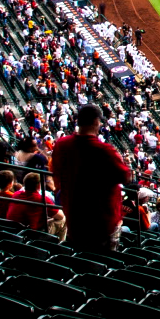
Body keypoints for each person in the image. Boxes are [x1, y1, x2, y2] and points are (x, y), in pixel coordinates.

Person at [49, 104, 132, 252]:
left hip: (74, 217)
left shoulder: (61, 145)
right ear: (95, 122)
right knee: (104, 263)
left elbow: (56, 174)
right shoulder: (104, 150)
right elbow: (126, 176)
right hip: (102, 222)